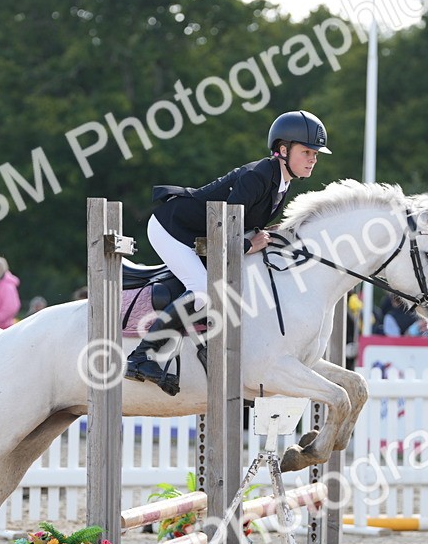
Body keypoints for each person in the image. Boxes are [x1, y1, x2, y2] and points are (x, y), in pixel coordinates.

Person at [124, 110, 331, 394]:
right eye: (307, 151)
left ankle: (205, 346)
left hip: (202, 234)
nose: (313, 159)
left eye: (316, 154)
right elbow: (225, 230)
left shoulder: (279, 184)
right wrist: (248, 245)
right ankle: (141, 356)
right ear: (283, 150)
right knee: (202, 291)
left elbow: (247, 227)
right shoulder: (257, 177)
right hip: (172, 228)